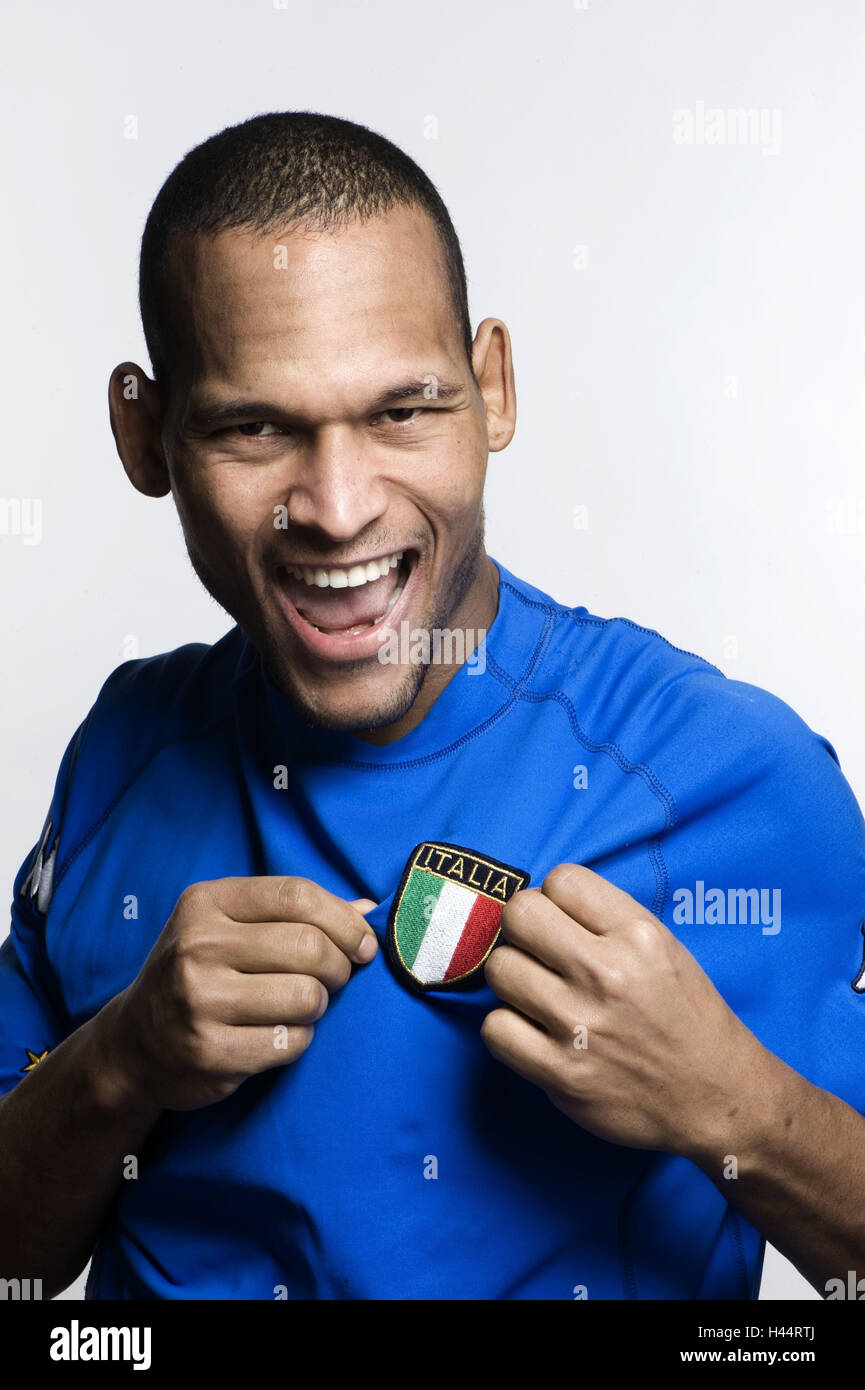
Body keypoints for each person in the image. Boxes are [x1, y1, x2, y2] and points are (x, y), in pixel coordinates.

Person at [1, 111, 862, 1302]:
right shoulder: (126, 750)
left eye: (401, 411)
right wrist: (118, 1064)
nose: (341, 506)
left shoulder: (723, 776)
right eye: (254, 426)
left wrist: (737, 1109)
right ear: (146, 437)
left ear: (491, 389)